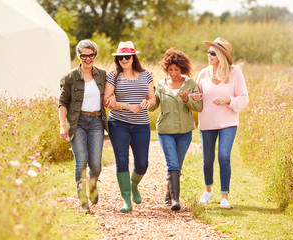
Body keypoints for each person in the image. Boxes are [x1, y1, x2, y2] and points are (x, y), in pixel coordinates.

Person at [191, 37, 249, 209]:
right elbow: (199, 97)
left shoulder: (235, 73)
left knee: (224, 156)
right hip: (207, 122)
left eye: (213, 52)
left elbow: (244, 98)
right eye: (208, 51)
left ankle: (225, 196)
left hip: (228, 123)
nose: (209, 55)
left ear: (222, 55)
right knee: (207, 159)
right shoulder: (202, 73)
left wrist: (227, 100)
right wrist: (195, 97)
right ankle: (208, 190)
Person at [103, 41, 156, 213]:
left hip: (141, 124)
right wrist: (127, 106)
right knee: (122, 160)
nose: (124, 59)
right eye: (120, 57)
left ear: (133, 57)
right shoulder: (113, 77)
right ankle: (126, 200)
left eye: (127, 56)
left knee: (142, 164)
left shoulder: (146, 75)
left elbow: (152, 98)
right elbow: (107, 101)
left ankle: (134, 185)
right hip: (118, 124)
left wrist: (147, 103)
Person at [149, 48, 203, 210]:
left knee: (177, 166)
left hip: (185, 132)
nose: (173, 73)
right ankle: (175, 201)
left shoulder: (191, 84)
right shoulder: (160, 85)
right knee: (172, 165)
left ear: (183, 69)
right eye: (170, 69)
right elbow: (152, 108)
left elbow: (199, 107)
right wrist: (148, 88)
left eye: (176, 70)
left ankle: (169, 193)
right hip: (165, 131)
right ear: (166, 69)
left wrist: (187, 99)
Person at [58, 39, 108, 214]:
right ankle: (83, 202)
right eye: (84, 55)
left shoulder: (102, 74)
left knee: (96, 165)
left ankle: (93, 186)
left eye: (91, 55)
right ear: (78, 56)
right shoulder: (70, 77)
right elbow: (62, 103)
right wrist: (62, 126)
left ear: (95, 55)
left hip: (96, 123)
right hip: (77, 123)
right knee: (81, 162)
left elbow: (110, 95)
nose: (88, 58)